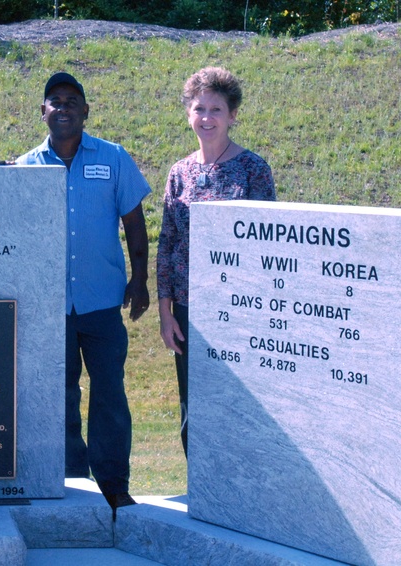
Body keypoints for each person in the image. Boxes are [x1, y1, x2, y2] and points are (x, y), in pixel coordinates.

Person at [16, 72, 151, 513]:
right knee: (60, 395)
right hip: (48, 306)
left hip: (101, 302)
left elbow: (134, 222)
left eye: (73, 100)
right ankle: (74, 482)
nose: (64, 107)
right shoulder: (26, 167)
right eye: (55, 101)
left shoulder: (113, 158)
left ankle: (113, 485)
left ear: (86, 110)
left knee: (110, 393)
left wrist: (140, 278)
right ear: (43, 113)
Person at [157, 67, 276, 457]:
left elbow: (268, 248)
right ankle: (200, 494)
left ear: (233, 115)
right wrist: (165, 312)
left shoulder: (253, 170)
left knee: (238, 406)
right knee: (194, 408)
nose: (207, 118)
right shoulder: (180, 173)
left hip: (239, 310)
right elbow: (167, 244)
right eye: (199, 108)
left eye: (216, 109)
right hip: (190, 311)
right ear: (188, 114)